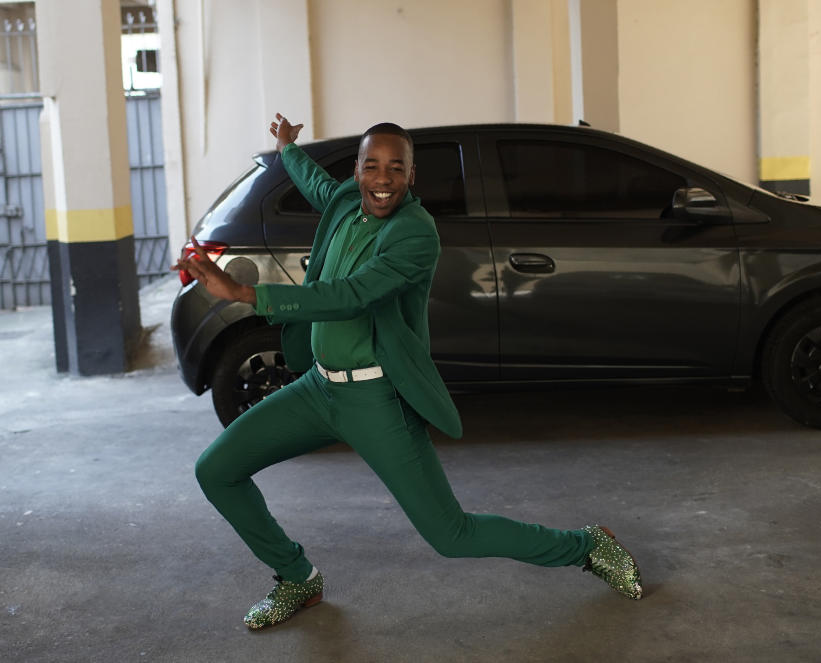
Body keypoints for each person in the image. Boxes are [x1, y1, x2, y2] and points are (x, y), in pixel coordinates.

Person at [173, 114, 642, 630]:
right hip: (317, 388)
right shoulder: (347, 199)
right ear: (357, 171)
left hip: (375, 400)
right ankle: (296, 577)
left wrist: (245, 294)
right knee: (216, 471)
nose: (382, 178)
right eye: (371, 166)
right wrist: (288, 148)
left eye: (396, 168)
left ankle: (586, 545)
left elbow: (350, 296)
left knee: (452, 535)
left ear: (411, 177)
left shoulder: (415, 234)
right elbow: (317, 184)